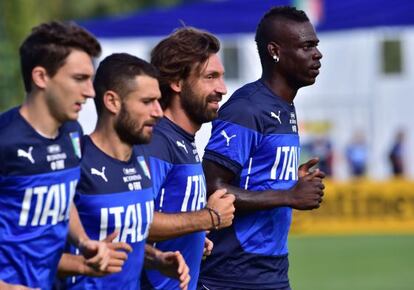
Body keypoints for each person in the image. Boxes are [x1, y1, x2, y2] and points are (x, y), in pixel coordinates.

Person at [198, 6, 325, 290]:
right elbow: (212, 187)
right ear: (275, 51)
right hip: (232, 274)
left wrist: (293, 182)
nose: (317, 54)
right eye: (307, 46)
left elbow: (255, 177)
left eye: (316, 45)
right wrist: (288, 195)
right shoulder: (246, 108)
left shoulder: (284, 107)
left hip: (272, 270)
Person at [62, 53, 190, 290]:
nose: (158, 112)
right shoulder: (75, 163)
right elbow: (32, 252)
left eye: (158, 101)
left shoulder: (141, 159)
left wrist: (157, 260)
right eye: (146, 102)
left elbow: (130, 242)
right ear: (112, 102)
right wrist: (83, 263)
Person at [0, 21, 112, 289]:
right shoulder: (5, 140)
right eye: (79, 79)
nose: (90, 92)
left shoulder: (72, 132)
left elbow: (62, 198)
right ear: (41, 77)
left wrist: (84, 242)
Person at [139, 27, 235, 290]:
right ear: (177, 82)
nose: (222, 89)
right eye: (210, 77)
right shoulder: (157, 142)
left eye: (221, 77)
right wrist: (208, 218)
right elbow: (137, 221)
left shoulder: (184, 140)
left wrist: (190, 236)